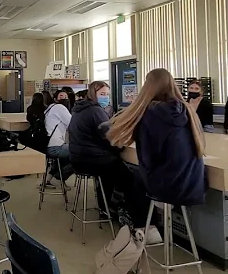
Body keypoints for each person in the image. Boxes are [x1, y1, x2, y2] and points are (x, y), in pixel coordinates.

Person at [69, 81, 161, 239]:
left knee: (114, 174)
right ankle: (142, 224)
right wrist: (122, 144)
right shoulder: (96, 111)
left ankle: (106, 208)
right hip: (93, 160)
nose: (105, 98)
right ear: (93, 94)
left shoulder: (80, 109)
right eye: (102, 94)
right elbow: (111, 140)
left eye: (107, 94)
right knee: (134, 180)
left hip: (79, 158)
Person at [108, 69, 206, 216]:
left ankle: (141, 226)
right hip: (195, 183)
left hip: (167, 186)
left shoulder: (150, 113)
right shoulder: (189, 111)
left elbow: (147, 158)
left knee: (129, 177)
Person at [45, 90, 74, 185]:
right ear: (55, 99)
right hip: (55, 147)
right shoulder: (60, 107)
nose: (64, 98)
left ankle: (49, 178)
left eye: (66, 96)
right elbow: (72, 124)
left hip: (48, 145)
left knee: (65, 157)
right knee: (81, 154)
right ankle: (59, 177)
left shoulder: (50, 107)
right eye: (61, 96)